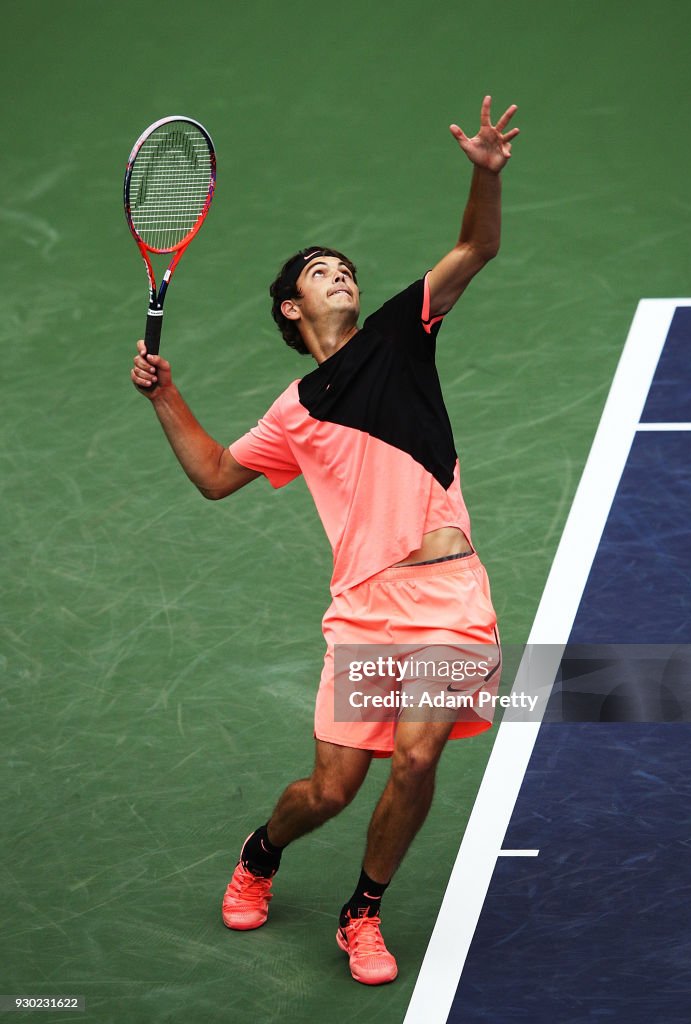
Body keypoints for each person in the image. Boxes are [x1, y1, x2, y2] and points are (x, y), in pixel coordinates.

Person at [131, 95, 519, 986]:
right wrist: (165, 397)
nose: (340, 272)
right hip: (364, 611)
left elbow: (476, 250)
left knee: (418, 756)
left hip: (448, 600)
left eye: (344, 265)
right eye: (319, 270)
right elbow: (219, 474)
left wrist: (483, 175)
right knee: (330, 791)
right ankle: (264, 849)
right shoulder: (293, 414)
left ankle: (362, 912)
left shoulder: (400, 333)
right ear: (289, 308)